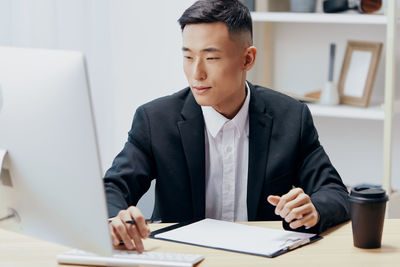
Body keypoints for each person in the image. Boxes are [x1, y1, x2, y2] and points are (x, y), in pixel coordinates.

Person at [104, 0, 350, 253]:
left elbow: (334, 193)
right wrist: (114, 219)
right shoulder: (155, 120)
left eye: (211, 57)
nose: (196, 73)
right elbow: (112, 187)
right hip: (184, 257)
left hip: (263, 260)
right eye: (188, 56)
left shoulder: (290, 117)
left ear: (247, 58)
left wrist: (313, 210)